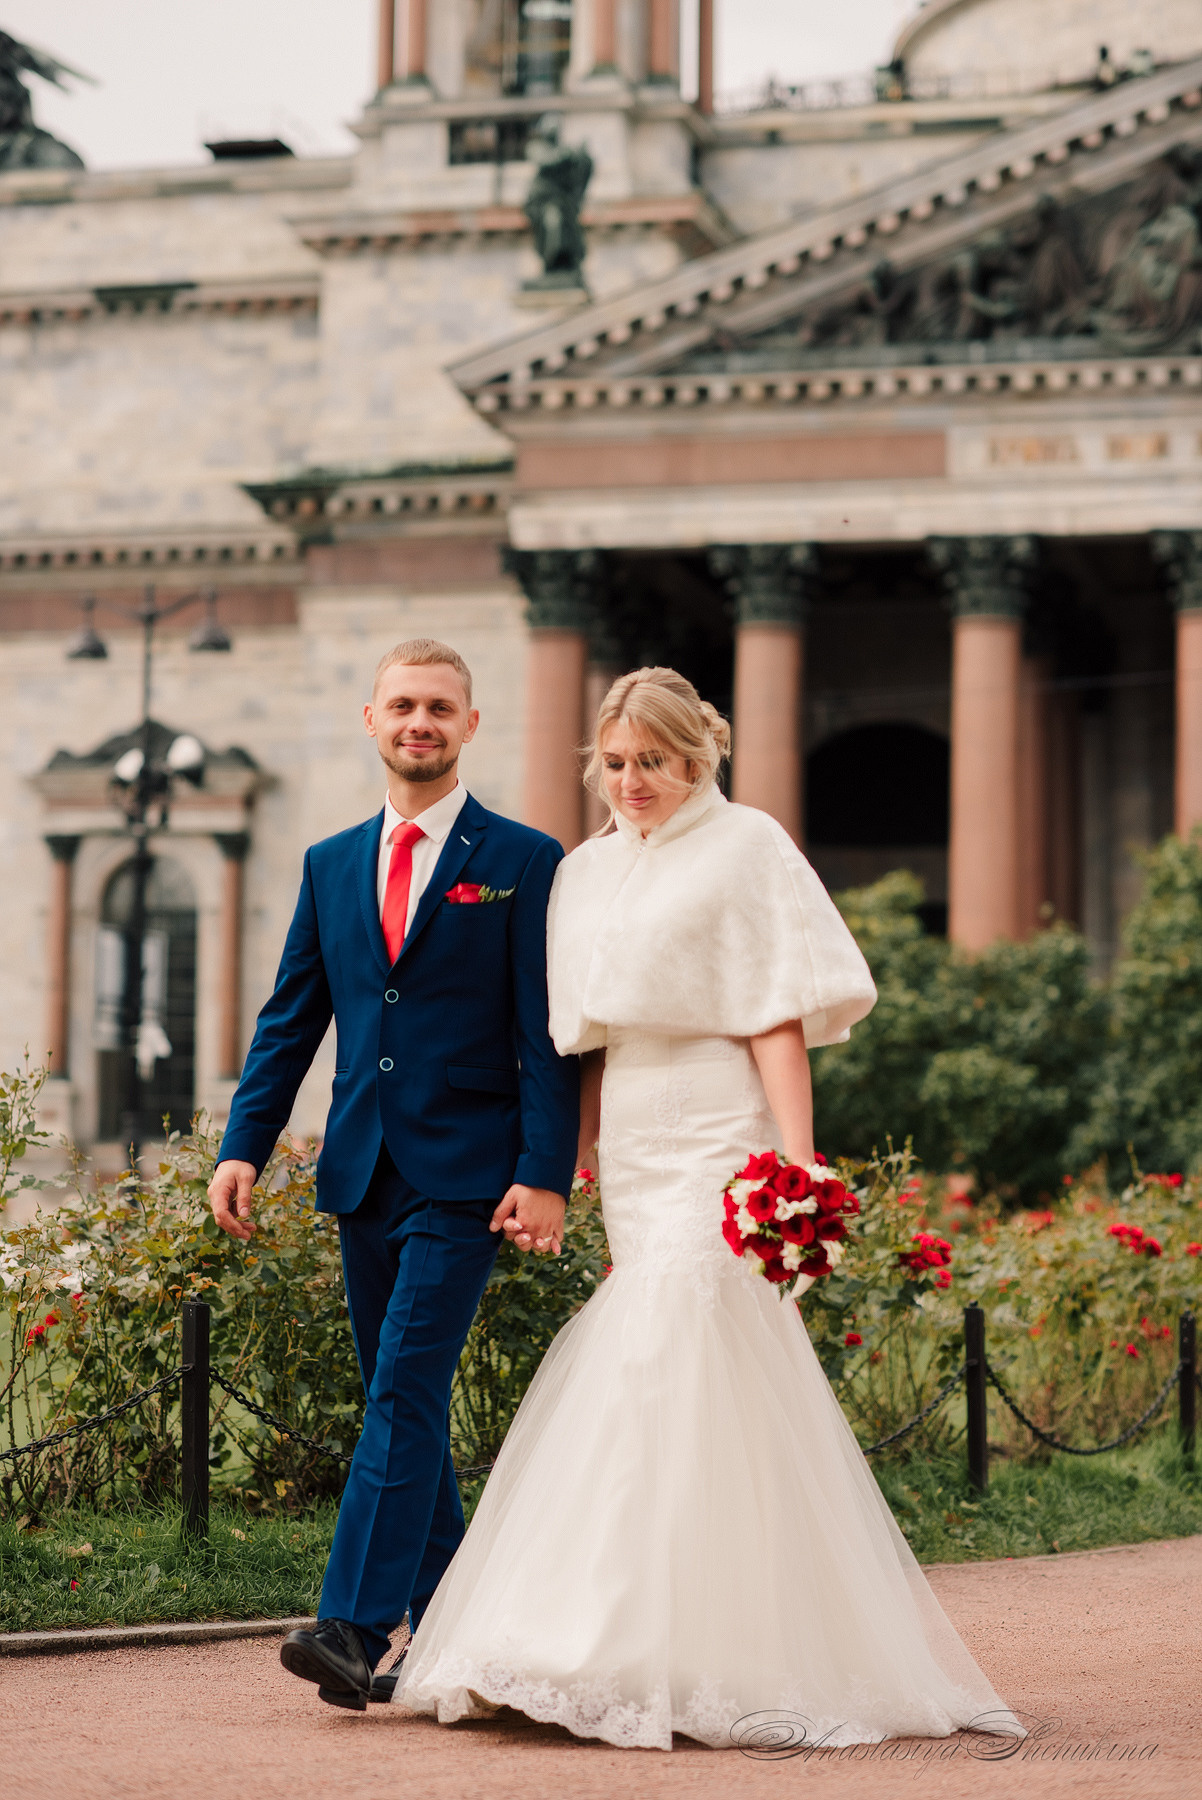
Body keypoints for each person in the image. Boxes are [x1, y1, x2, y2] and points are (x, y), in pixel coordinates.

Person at [397, 666, 1023, 1750]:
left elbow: (772, 1016)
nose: (632, 781)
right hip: (633, 1134)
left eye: (653, 761)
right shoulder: (583, 872)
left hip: (717, 1121)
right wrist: (569, 1166)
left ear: (696, 756)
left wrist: (797, 1166)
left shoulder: (748, 847)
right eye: (616, 763)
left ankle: (648, 1643)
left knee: (666, 1346)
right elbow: (580, 1043)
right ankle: (586, 1633)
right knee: (658, 1349)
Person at [207, 638, 578, 1712]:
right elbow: (292, 1016)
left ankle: (355, 1625)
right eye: (403, 705)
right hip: (360, 1167)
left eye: (441, 708)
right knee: (394, 1399)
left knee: (406, 1389)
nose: (421, 722)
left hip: (469, 1174)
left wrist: (543, 1171)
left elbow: (543, 1035)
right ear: (371, 720)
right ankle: (470, 1622)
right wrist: (244, 1141)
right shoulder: (329, 863)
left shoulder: (522, 857)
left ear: (470, 727)